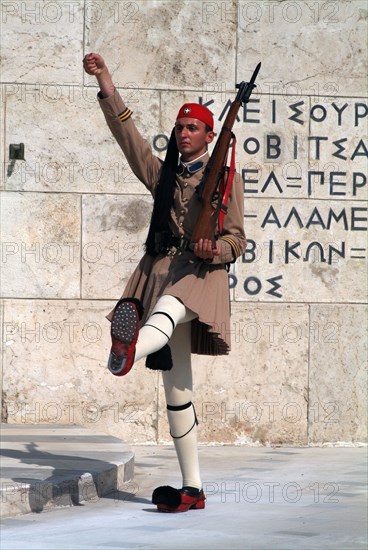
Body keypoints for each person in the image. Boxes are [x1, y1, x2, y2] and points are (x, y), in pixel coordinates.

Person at [83, 53, 247, 513]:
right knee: (177, 389)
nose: (183, 132)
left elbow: (238, 240)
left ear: (210, 135)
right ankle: (192, 488)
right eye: (179, 127)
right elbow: (129, 140)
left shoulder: (225, 179)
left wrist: (218, 248)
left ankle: (129, 343)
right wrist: (106, 83)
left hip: (199, 277)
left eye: (192, 128)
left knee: (166, 311)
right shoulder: (163, 175)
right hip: (161, 271)